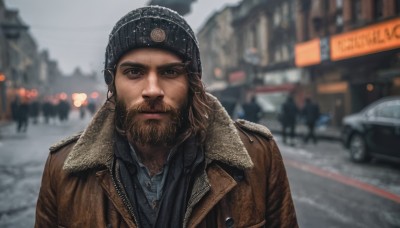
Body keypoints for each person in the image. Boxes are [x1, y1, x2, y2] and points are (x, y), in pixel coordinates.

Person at [35, 6, 298, 228]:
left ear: (192, 82)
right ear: (112, 83)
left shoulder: (258, 157)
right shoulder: (62, 168)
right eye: (134, 72)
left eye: (170, 72)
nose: (152, 90)